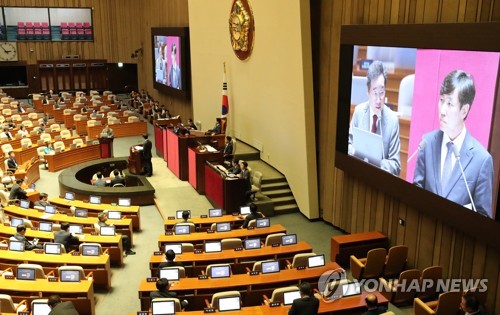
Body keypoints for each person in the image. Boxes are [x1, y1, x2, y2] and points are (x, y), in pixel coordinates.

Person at [413, 70, 494, 218]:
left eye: (449, 103)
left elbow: (484, 219)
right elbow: (416, 195)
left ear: (464, 111)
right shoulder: (427, 143)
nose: (442, 110)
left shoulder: (482, 161)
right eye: (441, 100)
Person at [348, 60, 401, 176]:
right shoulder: (359, 112)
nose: (378, 99)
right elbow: (348, 144)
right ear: (368, 91)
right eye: (375, 93)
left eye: (382, 93)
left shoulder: (392, 121)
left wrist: (376, 163)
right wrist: (353, 152)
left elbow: (396, 165)